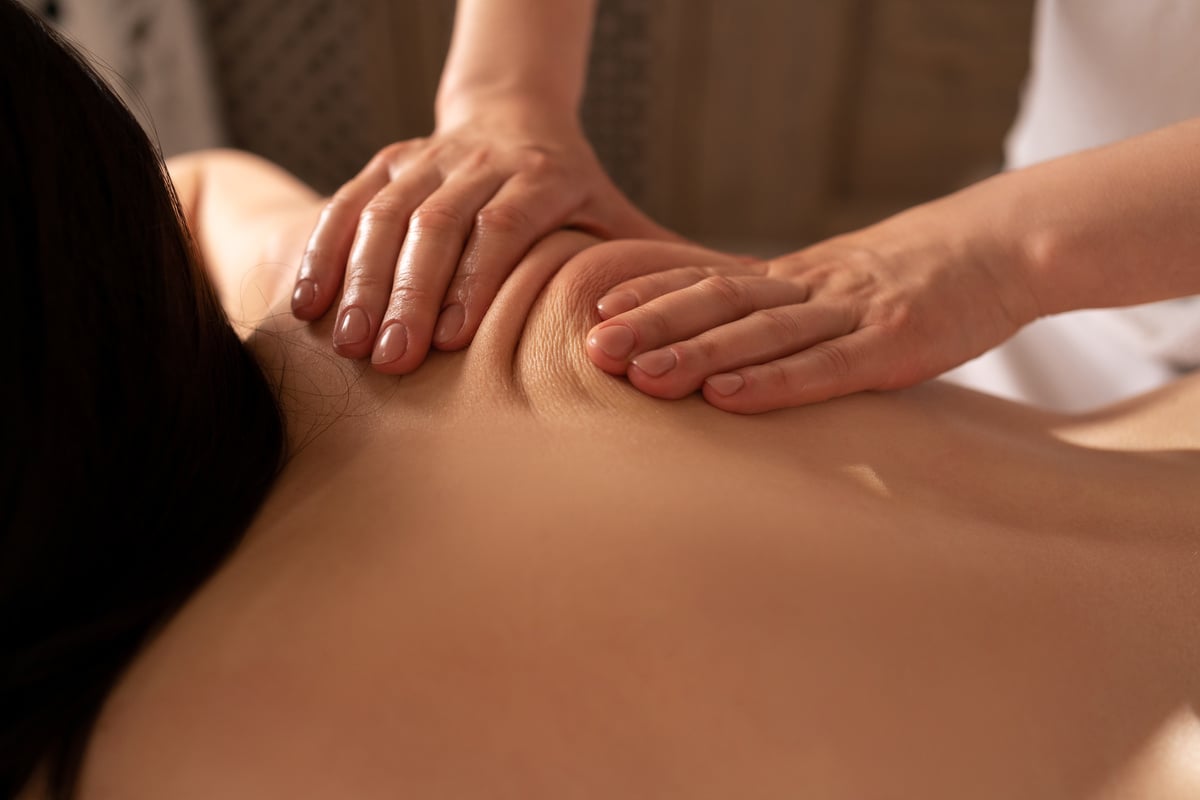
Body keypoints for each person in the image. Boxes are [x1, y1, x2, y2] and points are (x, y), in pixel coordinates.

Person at [4, 3, 1200, 798]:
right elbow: (189, 191)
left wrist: (1007, 256)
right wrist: (495, 94)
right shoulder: (352, 292)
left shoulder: (178, 750)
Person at [291, 0, 1200, 414]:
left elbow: (206, 181)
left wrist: (992, 255)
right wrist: (503, 92)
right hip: (1050, 309)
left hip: (1026, 267)